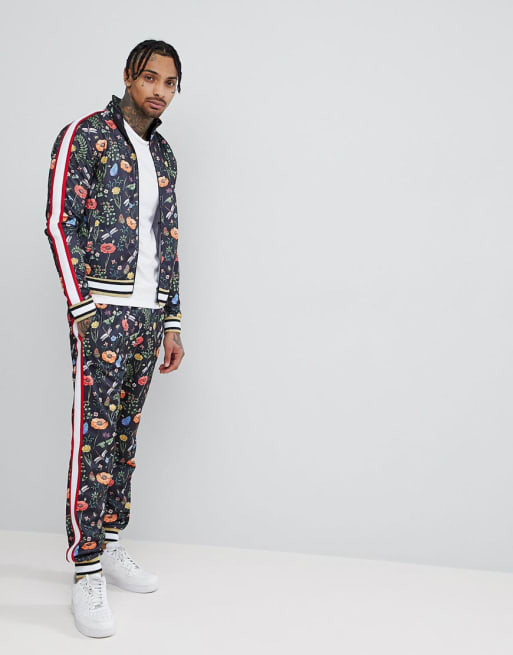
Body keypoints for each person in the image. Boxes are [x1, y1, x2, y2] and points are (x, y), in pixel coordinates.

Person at [44, 39, 185, 638]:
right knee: (93, 439)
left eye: (170, 83)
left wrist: (172, 319)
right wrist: (82, 307)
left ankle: (110, 540)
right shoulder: (86, 135)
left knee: (125, 437)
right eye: (150, 77)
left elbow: (168, 237)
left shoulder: (164, 153)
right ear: (129, 76)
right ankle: (85, 569)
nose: (159, 91)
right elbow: (59, 222)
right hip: (102, 311)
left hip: (148, 317)